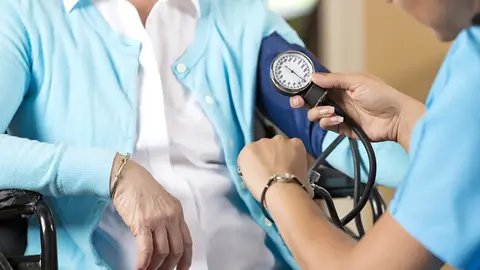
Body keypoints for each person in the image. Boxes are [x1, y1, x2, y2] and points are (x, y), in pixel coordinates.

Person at [0, 0, 410, 269]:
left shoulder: (242, 19)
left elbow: (342, 140)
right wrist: (114, 173)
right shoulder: (26, 16)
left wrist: (409, 125)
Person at [238, 0, 480, 269]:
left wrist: (278, 184)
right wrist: (403, 122)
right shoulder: (470, 52)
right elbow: (464, 165)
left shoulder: (472, 82)